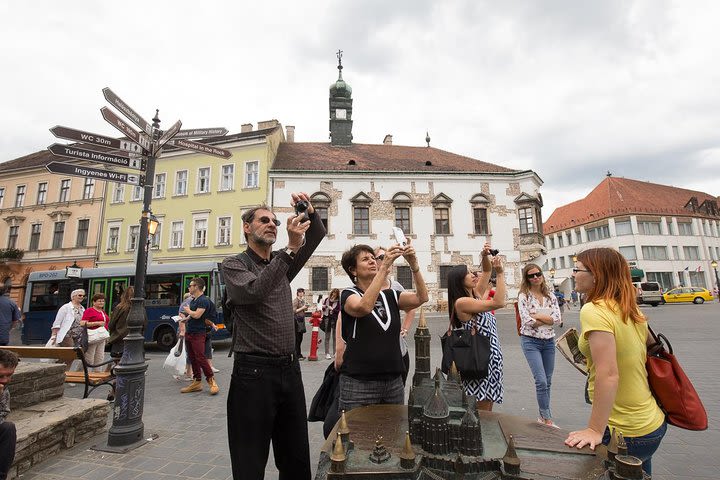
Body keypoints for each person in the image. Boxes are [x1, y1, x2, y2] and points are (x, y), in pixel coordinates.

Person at [221, 194, 325, 480]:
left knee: (296, 458)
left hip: (289, 371)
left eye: (275, 222)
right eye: (263, 220)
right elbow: (253, 291)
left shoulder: (282, 262)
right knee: (249, 461)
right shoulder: (233, 265)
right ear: (246, 227)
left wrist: (309, 212)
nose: (272, 225)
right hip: (253, 375)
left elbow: (317, 234)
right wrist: (290, 249)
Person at [565, 248, 666, 475]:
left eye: (577, 269)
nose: (573, 274)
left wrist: (593, 430)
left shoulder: (593, 310)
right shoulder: (627, 306)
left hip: (624, 429)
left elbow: (609, 374)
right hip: (651, 421)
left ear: (596, 275)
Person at [338, 242, 428, 413]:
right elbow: (364, 307)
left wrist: (414, 266)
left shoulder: (391, 295)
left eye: (373, 258)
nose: (372, 261)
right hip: (359, 384)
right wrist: (384, 267)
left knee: (393, 435)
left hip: (393, 382)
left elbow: (422, 297)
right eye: (365, 259)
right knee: (358, 437)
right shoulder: (349, 294)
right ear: (353, 270)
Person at [446, 245, 506, 411]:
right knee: (481, 412)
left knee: (488, 407)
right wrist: (500, 273)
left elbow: (486, 272)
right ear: (459, 279)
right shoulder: (462, 302)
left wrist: (484, 256)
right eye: (469, 273)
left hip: (490, 362)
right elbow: (499, 302)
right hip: (478, 362)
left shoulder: (475, 294)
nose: (474, 275)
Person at [517, 264, 562, 427]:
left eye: (538, 274)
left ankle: (543, 416)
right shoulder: (524, 296)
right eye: (531, 276)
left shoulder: (550, 295)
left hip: (549, 341)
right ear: (526, 279)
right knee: (541, 381)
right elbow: (527, 322)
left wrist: (538, 317)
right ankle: (547, 419)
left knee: (547, 381)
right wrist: (546, 318)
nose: (535, 277)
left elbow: (557, 319)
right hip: (531, 341)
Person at [374, 246, 417, 385]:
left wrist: (404, 328)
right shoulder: (366, 286)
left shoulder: (396, 286)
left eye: (389, 256)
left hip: (399, 351)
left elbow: (411, 308)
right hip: (376, 354)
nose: (388, 259)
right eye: (381, 257)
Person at [180, 277, 219, 395]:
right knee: (192, 358)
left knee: (200, 357)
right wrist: (185, 319)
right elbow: (193, 317)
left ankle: (211, 381)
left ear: (196, 287)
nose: (189, 287)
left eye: (190, 285)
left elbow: (197, 315)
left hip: (198, 333)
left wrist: (187, 310)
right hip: (190, 332)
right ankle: (197, 382)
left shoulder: (203, 300)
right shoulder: (194, 300)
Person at [50, 289, 86, 367]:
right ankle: (57, 368)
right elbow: (57, 322)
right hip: (67, 335)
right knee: (70, 354)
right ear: (73, 297)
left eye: (83, 296)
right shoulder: (65, 307)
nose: (82, 297)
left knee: (71, 356)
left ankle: (64, 371)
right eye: (79, 295)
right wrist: (54, 335)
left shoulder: (82, 308)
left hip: (78, 336)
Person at [0, 349, 19, 480]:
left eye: (9, 375)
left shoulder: (3, 389)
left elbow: (3, 413)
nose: (6, 380)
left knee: (8, 428)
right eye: (1, 376)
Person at [81, 293, 109, 372]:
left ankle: (97, 375)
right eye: (99, 301)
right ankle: (83, 374)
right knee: (89, 358)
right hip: (93, 337)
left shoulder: (103, 312)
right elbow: (82, 323)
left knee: (100, 357)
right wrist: (97, 323)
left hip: (101, 337)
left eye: (103, 301)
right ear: (94, 302)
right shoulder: (89, 310)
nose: (101, 303)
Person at [107, 286, 133, 360]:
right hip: (134, 341)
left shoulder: (120, 307)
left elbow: (111, 324)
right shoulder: (139, 308)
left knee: (116, 361)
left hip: (120, 338)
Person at [321, 289, 340, 360]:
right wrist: (324, 307)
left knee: (335, 337)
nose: (333, 295)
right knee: (327, 337)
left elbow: (339, 311)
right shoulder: (327, 300)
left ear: (337, 295)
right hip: (327, 319)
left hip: (335, 320)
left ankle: (335, 353)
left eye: (335, 294)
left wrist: (333, 309)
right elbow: (323, 309)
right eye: (332, 294)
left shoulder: (338, 301)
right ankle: (327, 353)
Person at [292, 288, 308, 360]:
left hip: (301, 321)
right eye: (299, 292)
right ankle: (297, 355)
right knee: (297, 339)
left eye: (302, 292)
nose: (301, 293)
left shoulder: (302, 300)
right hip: (297, 321)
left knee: (300, 338)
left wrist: (306, 307)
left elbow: (304, 310)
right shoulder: (295, 301)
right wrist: (303, 307)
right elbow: (294, 311)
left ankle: (299, 354)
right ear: (297, 293)